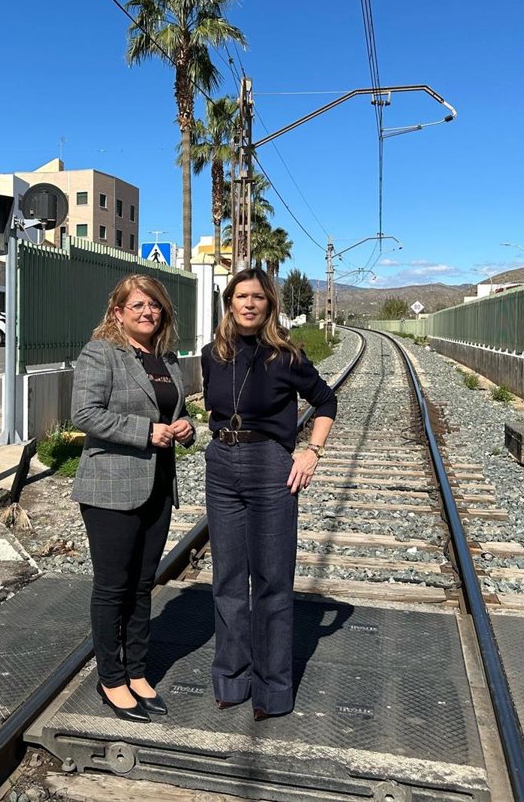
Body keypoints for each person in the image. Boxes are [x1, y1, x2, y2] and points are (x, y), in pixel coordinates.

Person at [201, 267, 337, 720]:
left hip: (270, 466)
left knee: (272, 581)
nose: (249, 304)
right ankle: (231, 679)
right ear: (229, 303)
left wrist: (312, 452)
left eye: (257, 297)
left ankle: (273, 690)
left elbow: (326, 401)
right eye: (241, 296)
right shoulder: (211, 355)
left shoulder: (287, 356)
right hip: (222, 464)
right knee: (227, 580)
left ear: (269, 304)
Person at [71, 274, 196, 722]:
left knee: (143, 585)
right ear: (118, 312)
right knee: (112, 588)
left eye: (155, 305)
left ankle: (138, 671)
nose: (148, 312)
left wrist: (186, 427)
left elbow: (174, 411)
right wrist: (145, 432)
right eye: (138, 305)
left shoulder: (167, 359)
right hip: (110, 488)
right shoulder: (100, 353)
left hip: (157, 486)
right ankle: (111, 678)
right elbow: (85, 413)